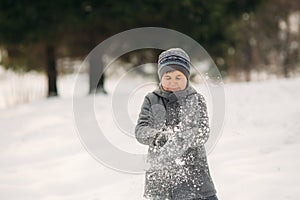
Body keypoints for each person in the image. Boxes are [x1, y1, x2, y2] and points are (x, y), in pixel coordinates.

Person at [135, 48, 218, 200]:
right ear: (161, 77)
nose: (173, 82)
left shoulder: (196, 100)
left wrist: (179, 139)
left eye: (178, 77)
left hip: (193, 177)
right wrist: (157, 136)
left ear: (187, 77)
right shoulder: (151, 99)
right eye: (168, 77)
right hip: (161, 180)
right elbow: (140, 130)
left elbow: (202, 132)